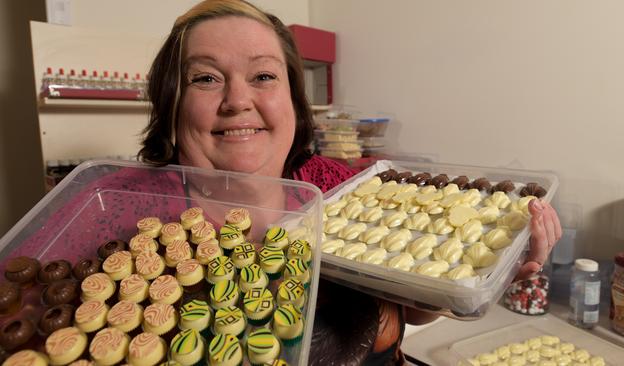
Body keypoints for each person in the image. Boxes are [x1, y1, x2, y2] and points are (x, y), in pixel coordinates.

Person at [133, 0, 562, 364]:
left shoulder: (344, 188)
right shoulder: (128, 222)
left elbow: (408, 311)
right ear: (171, 103)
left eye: (264, 76)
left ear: (296, 102)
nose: (238, 101)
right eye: (205, 78)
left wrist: (472, 279)